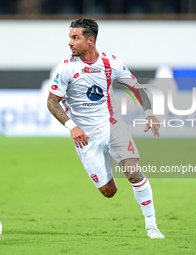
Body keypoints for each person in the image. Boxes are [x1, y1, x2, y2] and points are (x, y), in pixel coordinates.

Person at [47, 18, 164, 239]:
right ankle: (108, 165)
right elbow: (51, 102)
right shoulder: (67, 68)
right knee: (109, 192)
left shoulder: (111, 63)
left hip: (112, 125)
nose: (70, 43)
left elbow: (136, 88)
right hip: (85, 136)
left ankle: (151, 225)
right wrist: (72, 126)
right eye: (70, 37)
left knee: (132, 171)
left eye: (75, 38)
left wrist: (149, 113)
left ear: (90, 41)